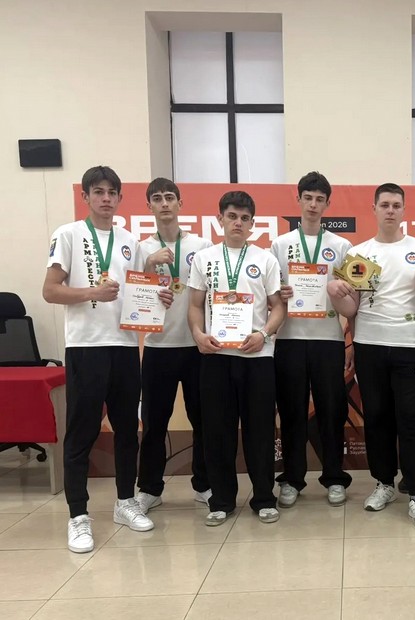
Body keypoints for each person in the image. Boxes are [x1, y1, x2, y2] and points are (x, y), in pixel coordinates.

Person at [43, 165, 172, 553]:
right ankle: (78, 515)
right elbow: (50, 290)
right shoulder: (68, 234)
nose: (105, 198)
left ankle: (125, 501)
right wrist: (91, 293)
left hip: (125, 347)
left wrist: (158, 299)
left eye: (111, 192)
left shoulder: (130, 241)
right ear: (86, 197)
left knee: (127, 429)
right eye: (97, 192)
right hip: (85, 347)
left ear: (119, 198)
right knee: (81, 432)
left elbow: (138, 291)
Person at [327, 183, 415, 529]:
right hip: (369, 346)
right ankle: (384, 483)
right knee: (376, 418)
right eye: (385, 205)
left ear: (404, 210)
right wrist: (334, 292)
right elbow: (352, 308)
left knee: (413, 420)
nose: (390, 210)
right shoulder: (359, 253)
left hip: (411, 347)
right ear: (374, 209)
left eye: (396, 205)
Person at [187, 190, 285, 526]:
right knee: (217, 431)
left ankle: (264, 498)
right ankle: (222, 500)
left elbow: (278, 307)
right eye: (232, 216)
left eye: (244, 218)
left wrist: (264, 334)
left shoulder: (265, 259)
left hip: (256, 355)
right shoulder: (204, 259)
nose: (238, 223)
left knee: (260, 430)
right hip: (216, 355)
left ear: (252, 223)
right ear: (220, 219)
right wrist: (198, 335)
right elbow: (195, 305)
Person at [270, 171, 353, 508]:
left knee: (332, 411)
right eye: (308, 198)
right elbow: (270, 296)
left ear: (328, 204)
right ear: (299, 200)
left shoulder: (341, 246)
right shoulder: (280, 245)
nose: (313, 205)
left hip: (328, 340)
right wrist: (281, 293)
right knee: (291, 411)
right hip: (289, 339)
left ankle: (334, 477)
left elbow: (351, 296)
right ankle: (292, 479)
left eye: (320, 199)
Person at [134, 178, 213, 514]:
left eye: (169, 197)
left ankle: (204, 484)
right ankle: (150, 488)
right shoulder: (141, 248)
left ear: (180, 203)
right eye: (157, 198)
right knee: (154, 422)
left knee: (203, 420)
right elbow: (133, 297)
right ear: (149, 206)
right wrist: (149, 265)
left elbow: (212, 292)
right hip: (158, 346)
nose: (164, 203)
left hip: (196, 346)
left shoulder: (202, 245)